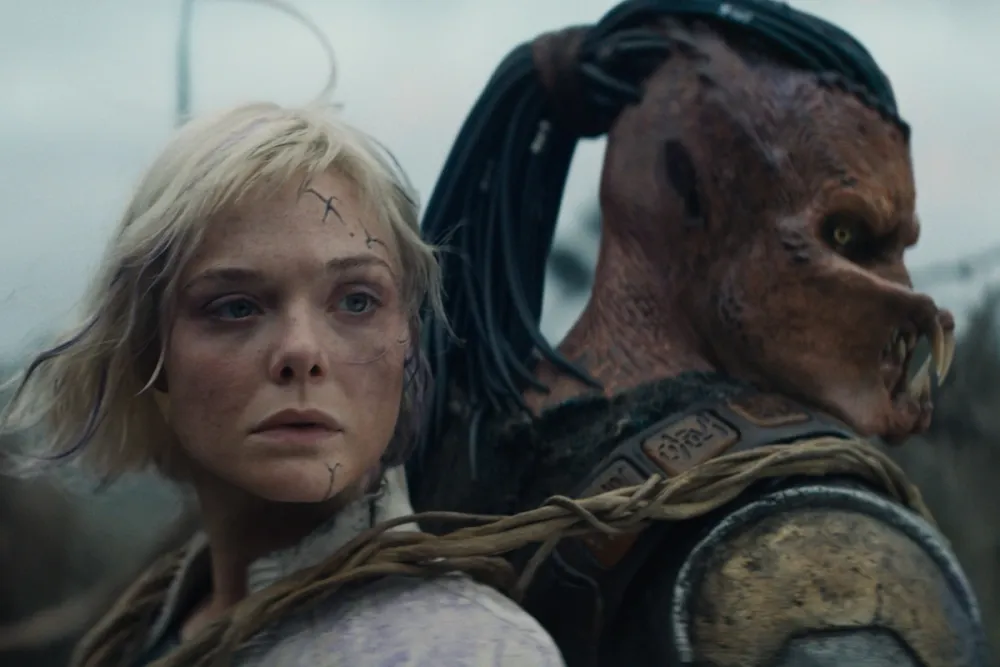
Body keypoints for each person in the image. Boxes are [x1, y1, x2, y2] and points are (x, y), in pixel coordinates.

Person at [405, 0, 992, 665]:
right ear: (685, 189)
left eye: (902, 248)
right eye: (846, 233)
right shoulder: (821, 552)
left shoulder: (443, 454)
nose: (904, 292)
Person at [1, 102, 565, 666]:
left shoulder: (464, 651)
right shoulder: (147, 629)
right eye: (236, 306)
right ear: (151, 349)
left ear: (407, 342)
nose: (302, 352)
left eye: (357, 301)